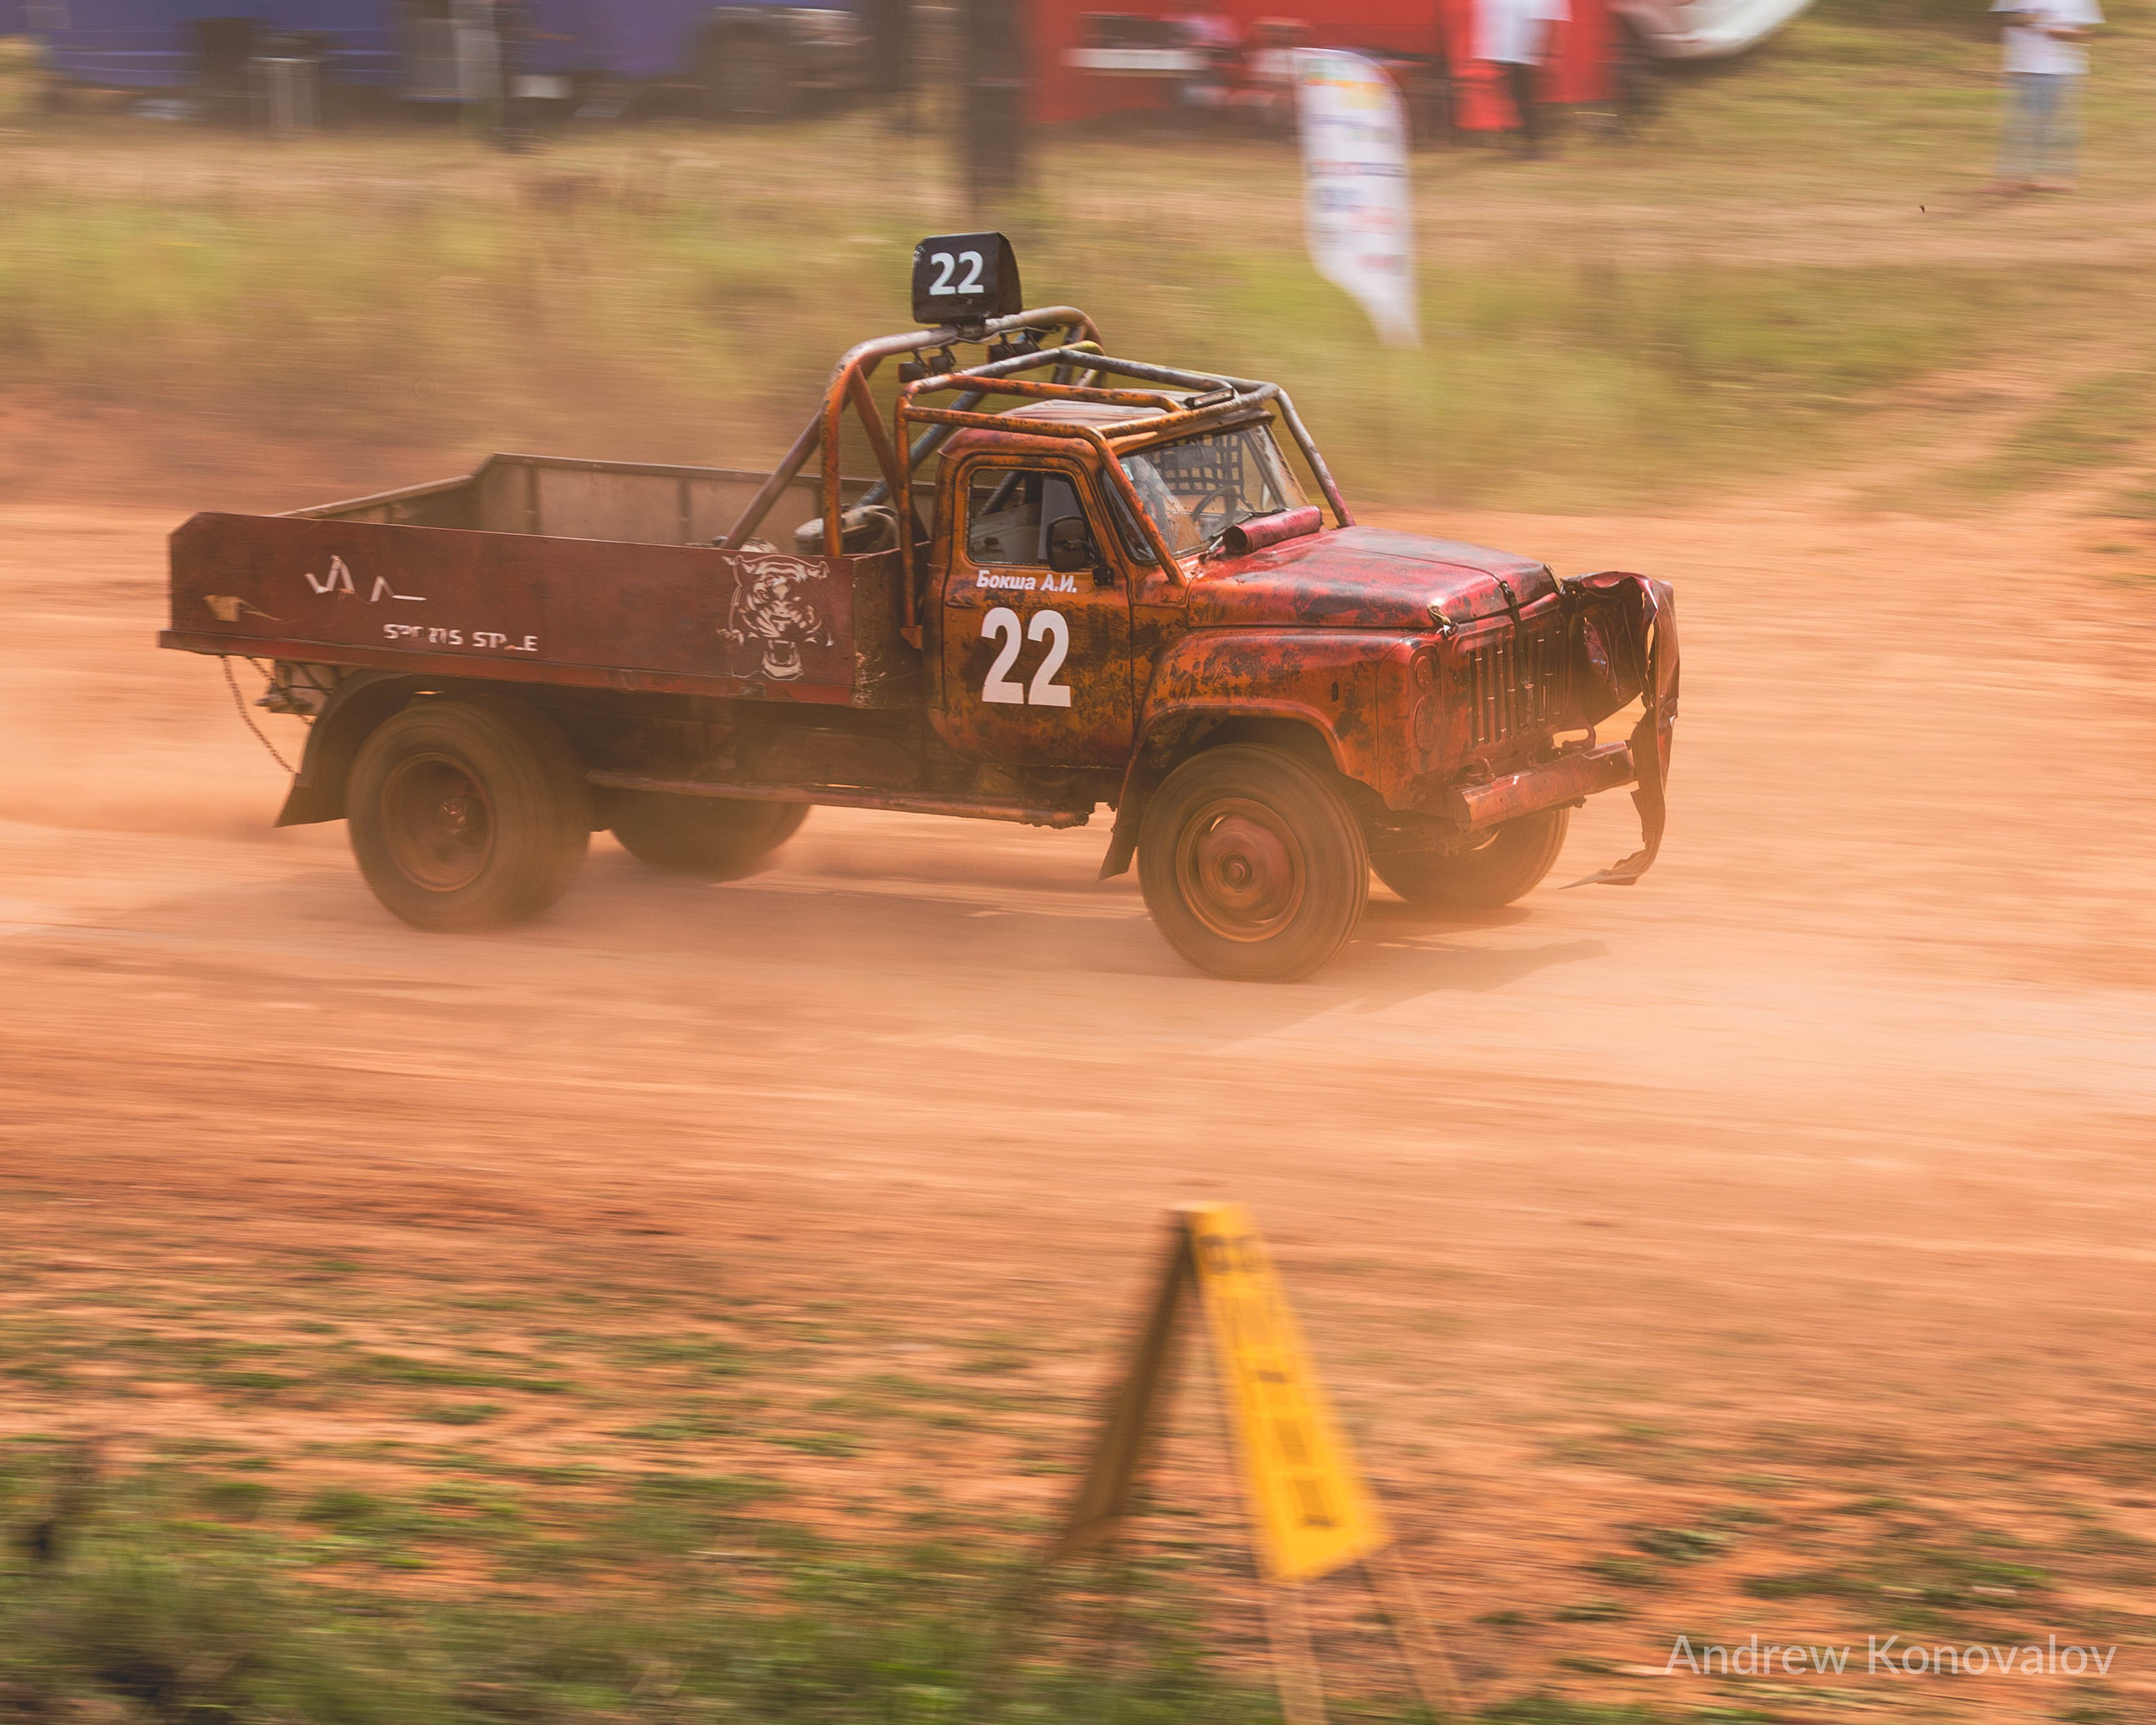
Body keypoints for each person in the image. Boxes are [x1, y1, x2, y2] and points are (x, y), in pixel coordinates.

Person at [1988, 0, 2102, 193]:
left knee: (2056, 129)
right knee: (2017, 129)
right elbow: (2003, 20)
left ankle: (2057, 179)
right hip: (2022, 69)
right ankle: (2011, 180)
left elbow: (2083, 33)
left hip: (2059, 71)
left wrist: (2049, 29)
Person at [1477, 0, 1569, 158]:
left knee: (1526, 99)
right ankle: (1529, 142)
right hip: (1513, 53)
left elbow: (1549, 20)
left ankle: (1533, 143)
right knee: (1519, 98)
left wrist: (1548, 53)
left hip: (1523, 54)